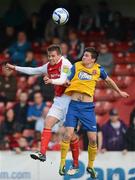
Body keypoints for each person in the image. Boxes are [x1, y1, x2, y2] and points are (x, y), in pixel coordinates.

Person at [6, 44, 80, 175]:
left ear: (59, 55)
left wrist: (51, 81)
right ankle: (43, 153)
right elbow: (33, 70)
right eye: (49, 56)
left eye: (53, 56)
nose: (50, 58)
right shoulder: (48, 66)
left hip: (71, 100)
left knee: (69, 134)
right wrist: (15, 67)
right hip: (59, 101)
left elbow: (64, 79)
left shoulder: (67, 64)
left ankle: (75, 164)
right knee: (47, 123)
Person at [58, 47, 129, 178]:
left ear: (93, 59)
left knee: (92, 139)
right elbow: (68, 77)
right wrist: (67, 81)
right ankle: (62, 164)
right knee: (68, 135)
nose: (83, 57)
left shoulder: (99, 70)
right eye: (83, 55)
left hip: (87, 108)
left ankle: (90, 166)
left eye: (86, 56)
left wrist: (119, 92)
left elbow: (109, 80)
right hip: (73, 106)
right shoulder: (76, 66)